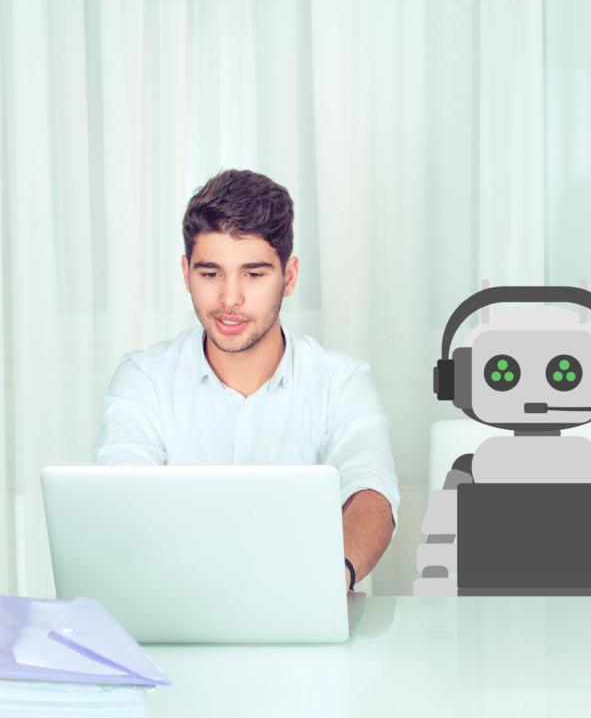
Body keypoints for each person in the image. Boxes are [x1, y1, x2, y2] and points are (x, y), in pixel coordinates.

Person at [92, 169, 398, 591]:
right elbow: (121, 501)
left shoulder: (340, 382)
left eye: (253, 274)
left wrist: (326, 583)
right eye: (210, 273)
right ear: (186, 273)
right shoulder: (144, 380)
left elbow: (371, 494)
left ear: (289, 277)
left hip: (301, 609)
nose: (229, 299)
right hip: (176, 606)